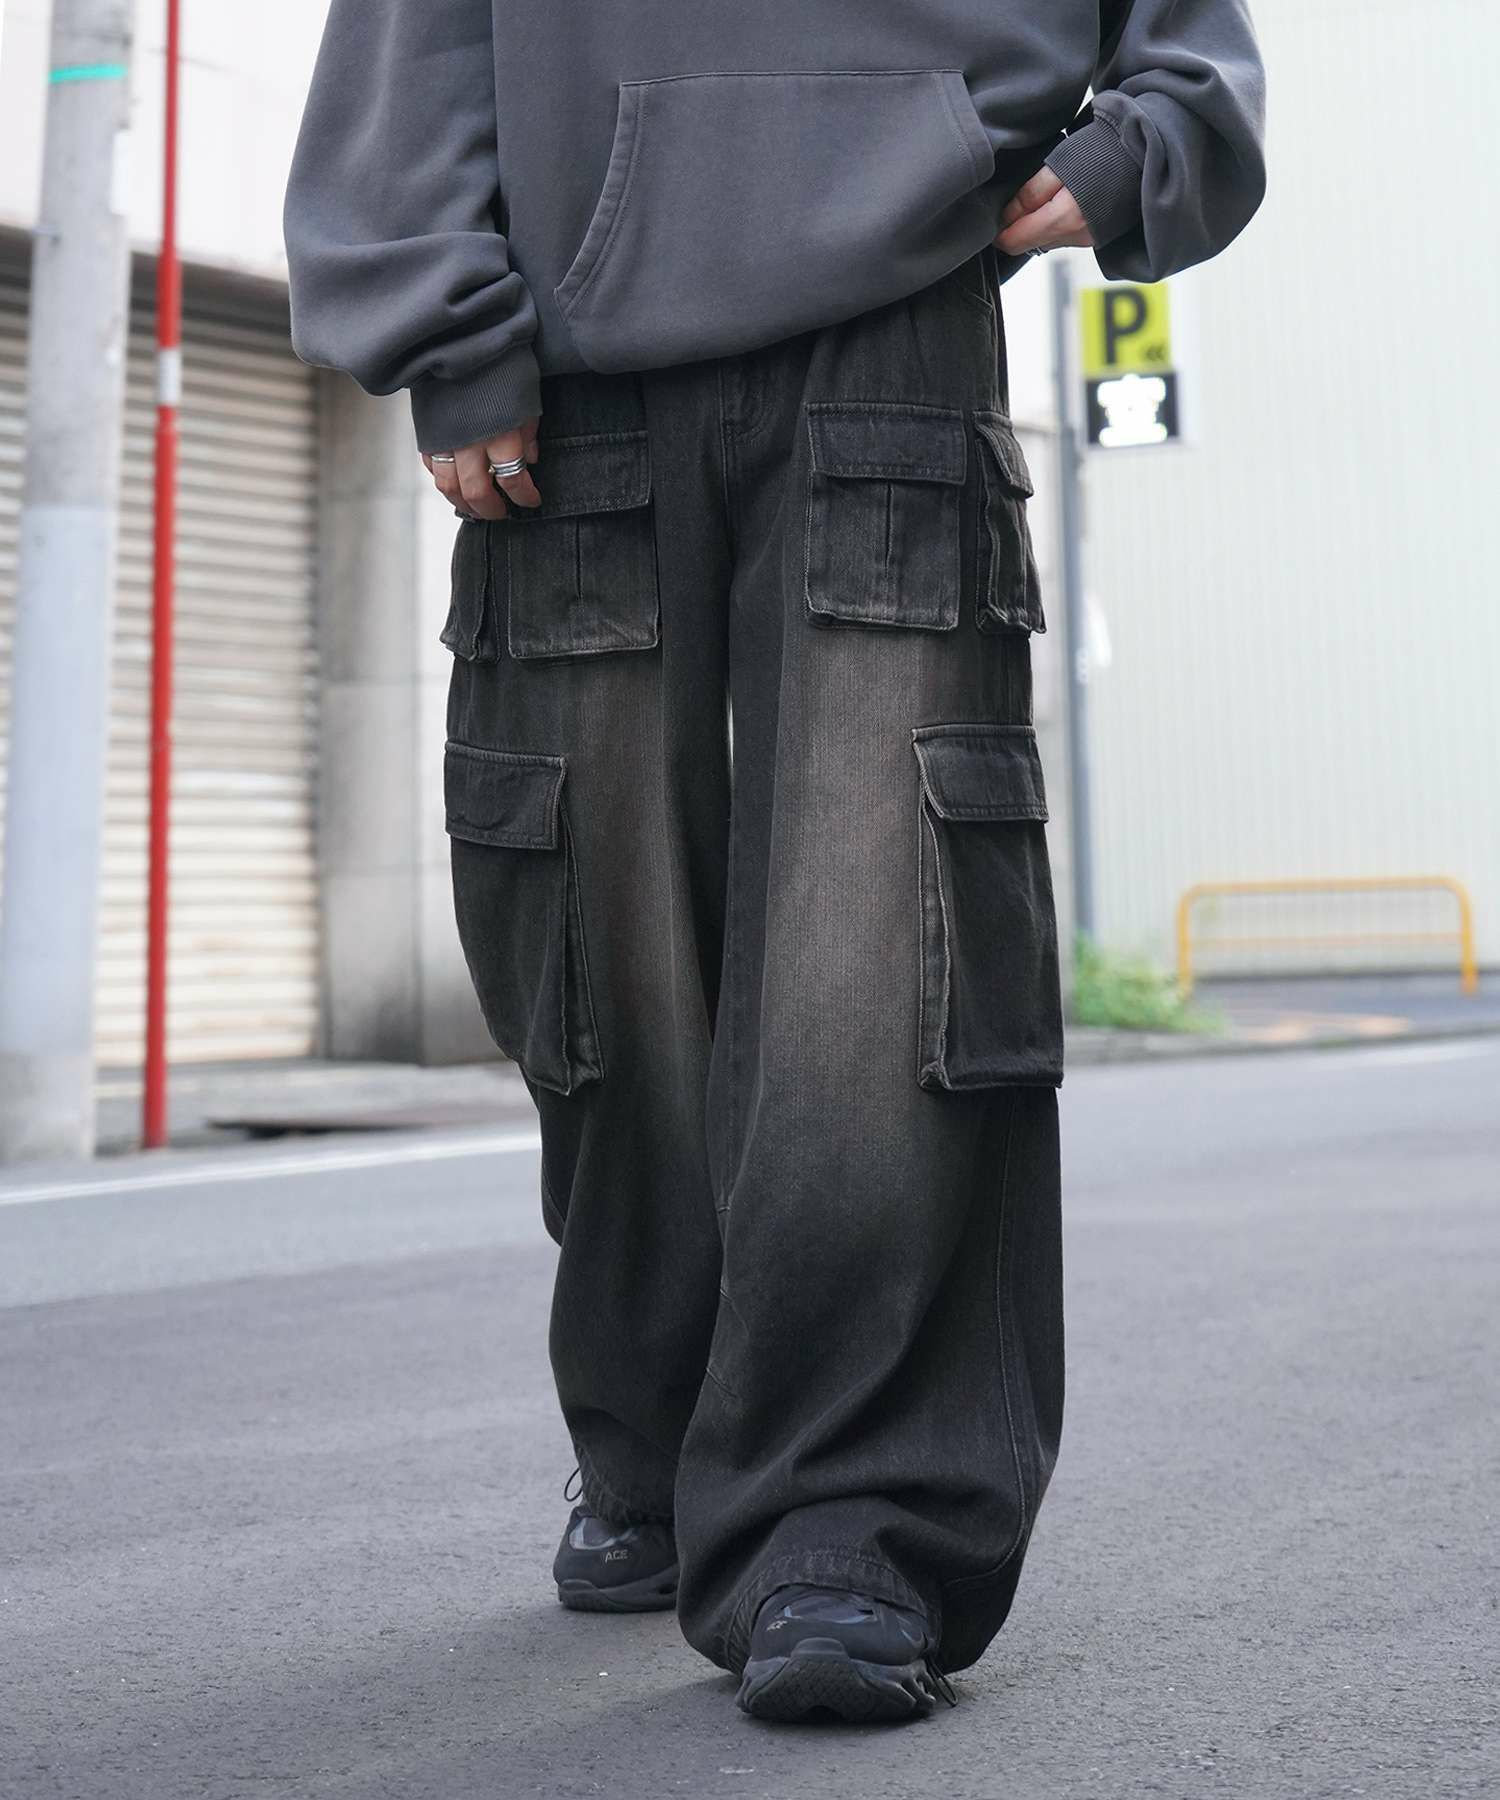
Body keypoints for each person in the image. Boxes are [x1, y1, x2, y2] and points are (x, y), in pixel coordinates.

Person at [284, 0, 1264, 1723]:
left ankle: (849, 1527)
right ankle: (657, 1437)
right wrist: (442, 315)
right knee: (598, 954)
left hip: (897, 319)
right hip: (570, 362)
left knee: (880, 954)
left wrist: (1140, 148)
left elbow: (1192, 50)